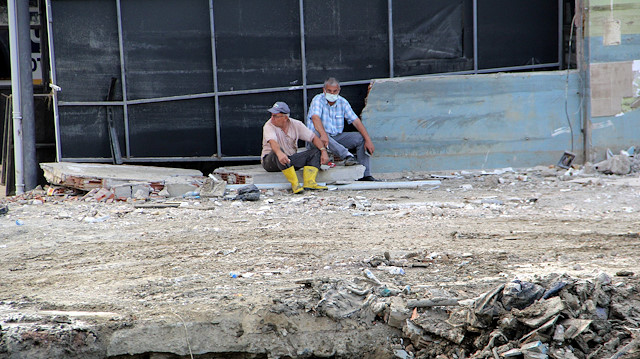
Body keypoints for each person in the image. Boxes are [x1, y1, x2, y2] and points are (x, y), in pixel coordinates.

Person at [307, 77, 377, 181]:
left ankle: (365, 175)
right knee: (316, 133)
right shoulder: (318, 99)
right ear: (324, 90)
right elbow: (315, 118)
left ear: (339, 90)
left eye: (335, 91)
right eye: (329, 91)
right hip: (318, 139)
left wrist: (368, 140)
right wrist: (324, 135)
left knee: (360, 138)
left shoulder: (342, 102)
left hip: (335, 138)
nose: (332, 93)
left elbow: (356, 121)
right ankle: (347, 156)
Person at [261, 101, 329, 193]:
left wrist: (323, 151)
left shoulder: (296, 124)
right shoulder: (269, 125)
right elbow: (273, 142)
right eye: (272, 115)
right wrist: (280, 154)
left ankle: (310, 182)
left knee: (316, 152)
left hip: (289, 160)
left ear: (285, 117)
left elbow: (313, 137)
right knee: (278, 152)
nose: (272, 118)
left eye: (275, 116)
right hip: (271, 161)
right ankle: (295, 184)